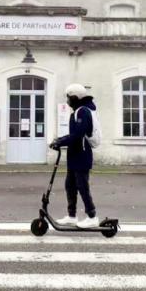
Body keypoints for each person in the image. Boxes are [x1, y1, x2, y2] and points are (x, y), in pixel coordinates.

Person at [49, 83, 99, 228]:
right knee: (70, 185)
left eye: (69, 97)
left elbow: (78, 135)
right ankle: (72, 216)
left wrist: (60, 141)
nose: (67, 101)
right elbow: (74, 135)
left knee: (82, 186)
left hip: (82, 155)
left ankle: (92, 216)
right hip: (75, 155)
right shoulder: (77, 112)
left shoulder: (83, 112)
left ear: (75, 98)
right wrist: (60, 140)